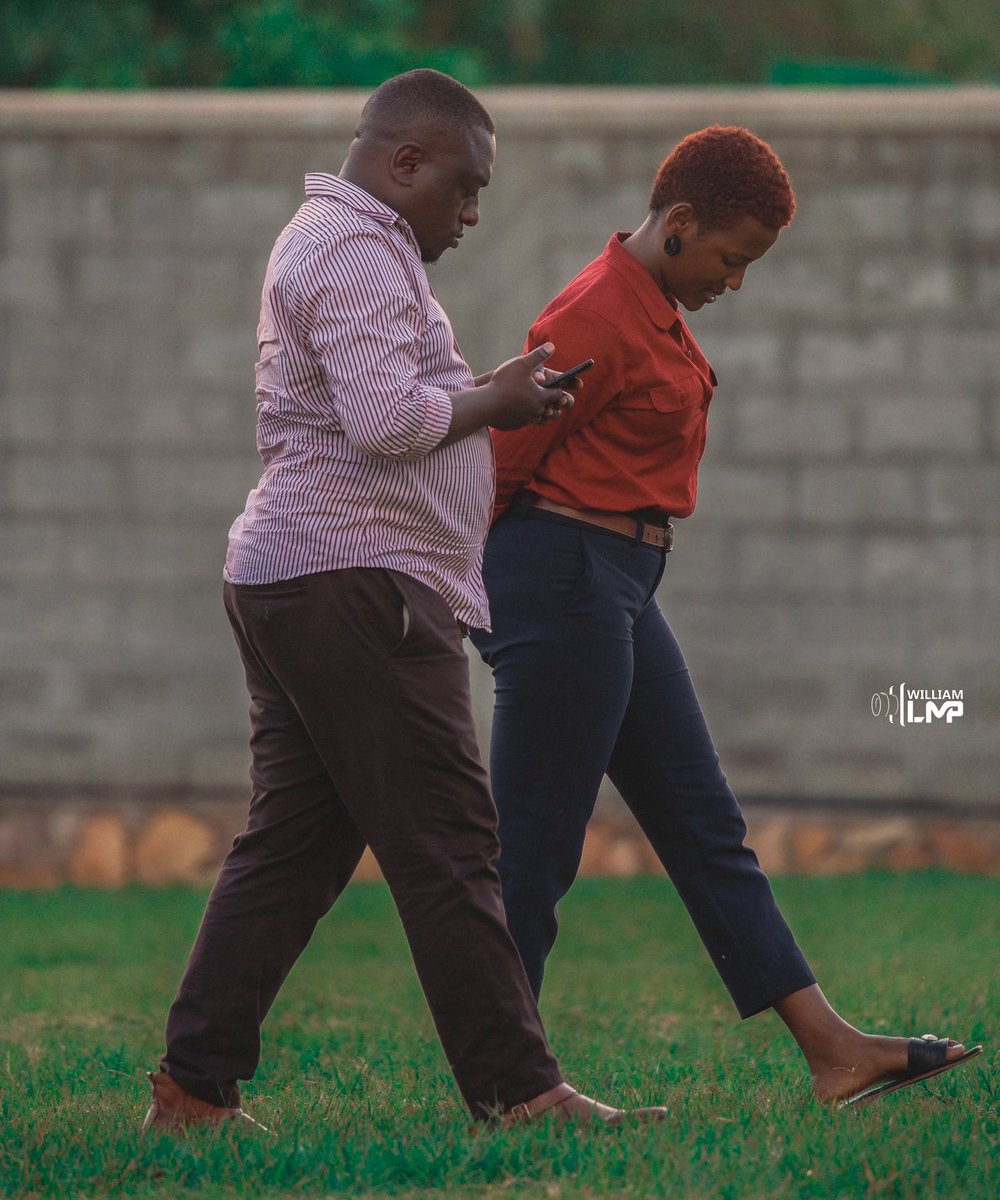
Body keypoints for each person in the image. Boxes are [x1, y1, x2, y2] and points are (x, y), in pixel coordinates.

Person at [141, 70, 668, 1133]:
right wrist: (501, 400)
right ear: (405, 162)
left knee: (294, 845)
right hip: (356, 579)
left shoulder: (353, 247)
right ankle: (520, 1094)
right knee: (450, 844)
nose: (471, 215)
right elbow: (385, 423)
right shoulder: (351, 249)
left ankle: (194, 1091)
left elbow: (383, 408)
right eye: (464, 189)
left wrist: (490, 398)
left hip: (318, 577)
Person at [470, 125, 981, 1110]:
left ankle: (834, 1051)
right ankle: (509, 1084)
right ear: (680, 220)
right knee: (534, 843)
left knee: (705, 826)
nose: (734, 281)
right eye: (730, 258)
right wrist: (480, 596)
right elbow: (496, 464)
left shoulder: (648, 307)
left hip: (612, 585)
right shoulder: (592, 316)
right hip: (565, 577)